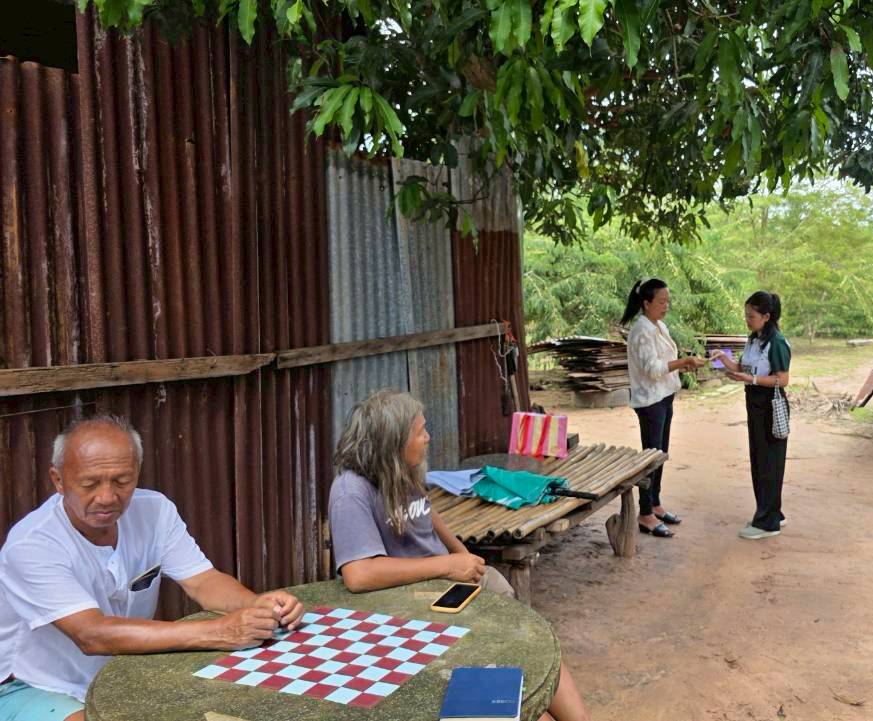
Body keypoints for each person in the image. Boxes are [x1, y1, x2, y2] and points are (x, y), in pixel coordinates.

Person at [0, 415, 304, 721]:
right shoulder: (31, 544)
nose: (107, 497)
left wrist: (258, 606)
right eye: (90, 484)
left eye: (122, 481)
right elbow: (91, 635)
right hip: (30, 685)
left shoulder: (155, 510)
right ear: (58, 480)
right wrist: (222, 631)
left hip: (120, 670)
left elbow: (203, 581)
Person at [327, 389, 591, 721]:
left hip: (446, 585)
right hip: (410, 604)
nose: (428, 437)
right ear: (392, 443)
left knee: (534, 649)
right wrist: (447, 565)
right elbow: (359, 575)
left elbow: (426, 511)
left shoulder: (402, 468)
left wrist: (460, 553)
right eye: (420, 431)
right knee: (513, 679)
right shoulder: (351, 491)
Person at [622, 278, 707, 538]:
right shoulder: (641, 331)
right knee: (650, 457)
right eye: (661, 302)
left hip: (664, 396)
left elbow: (666, 362)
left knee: (660, 454)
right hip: (650, 401)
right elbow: (653, 369)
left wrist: (684, 364)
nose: (666, 306)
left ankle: (655, 504)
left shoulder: (659, 326)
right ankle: (645, 513)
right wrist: (683, 361)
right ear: (646, 303)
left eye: (668, 301)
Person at [712, 292, 791, 540]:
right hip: (755, 404)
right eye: (746, 315)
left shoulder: (776, 342)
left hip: (769, 405)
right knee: (760, 460)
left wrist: (751, 379)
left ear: (766, 316)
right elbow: (742, 368)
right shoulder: (754, 339)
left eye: (751, 316)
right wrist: (724, 359)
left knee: (768, 463)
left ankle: (767, 523)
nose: (747, 320)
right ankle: (771, 513)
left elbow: (782, 379)